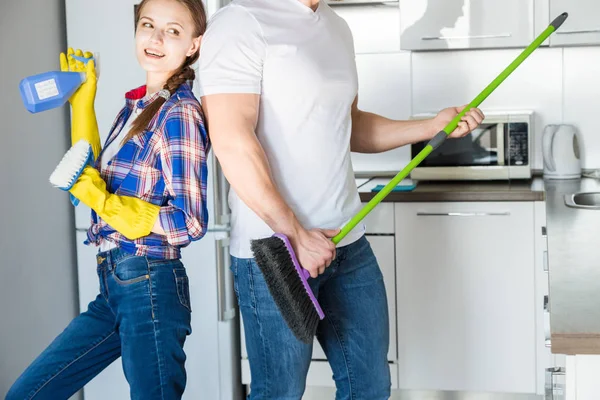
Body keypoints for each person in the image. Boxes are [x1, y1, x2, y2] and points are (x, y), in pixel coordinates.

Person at [197, 0, 484, 399]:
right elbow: (231, 141)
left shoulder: (336, 26)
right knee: (279, 393)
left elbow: (352, 127)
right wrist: (296, 233)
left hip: (347, 243)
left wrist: (431, 126)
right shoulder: (240, 22)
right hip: (277, 251)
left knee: (369, 387)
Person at [6, 0, 208, 398]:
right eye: (148, 24)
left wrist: (106, 203)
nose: (155, 37)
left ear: (193, 45)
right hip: (115, 285)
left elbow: (191, 221)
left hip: (149, 282)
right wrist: (84, 101)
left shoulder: (179, 114)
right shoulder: (136, 108)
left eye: (172, 30)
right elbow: (92, 173)